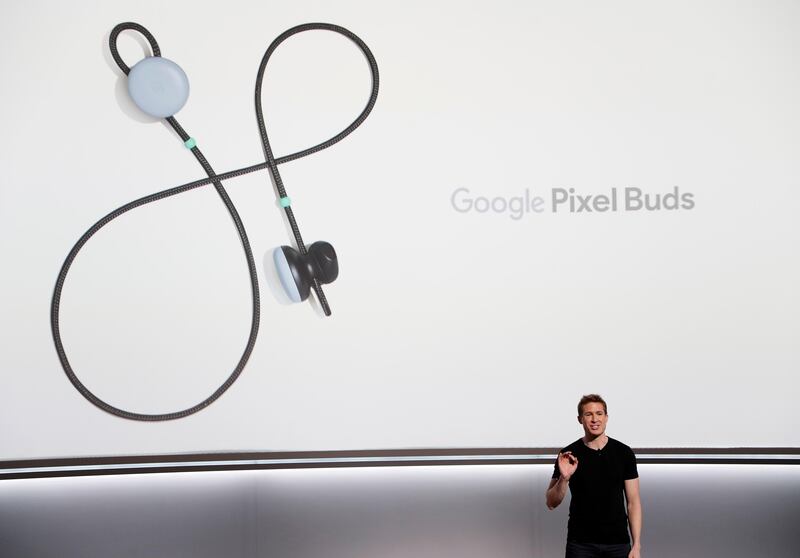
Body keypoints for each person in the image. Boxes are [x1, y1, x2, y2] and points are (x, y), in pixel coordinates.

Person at [545, 394, 642, 558]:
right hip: (580, 544)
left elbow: (633, 502)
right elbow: (551, 502)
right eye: (588, 414)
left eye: (599, 413)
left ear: (606, 417)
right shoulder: (568, 455)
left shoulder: (623, 453)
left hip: (618, 543)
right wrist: (564, 478)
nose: (594, 419)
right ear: (580, 419)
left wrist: (637, 545)